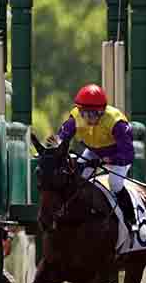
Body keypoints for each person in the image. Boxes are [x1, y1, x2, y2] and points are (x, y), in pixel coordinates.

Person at [55, 84, 141, 230]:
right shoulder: (75, 117)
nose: (88, 119)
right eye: (84, 114)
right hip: (93, 151)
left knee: (115, 183)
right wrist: (53, 147)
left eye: (92, 114)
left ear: (102, 112)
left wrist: (108, 160)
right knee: (78, 178)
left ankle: (131, 219)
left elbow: (128, 155)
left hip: (117, 154)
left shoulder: (116, 122)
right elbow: (61, 138)